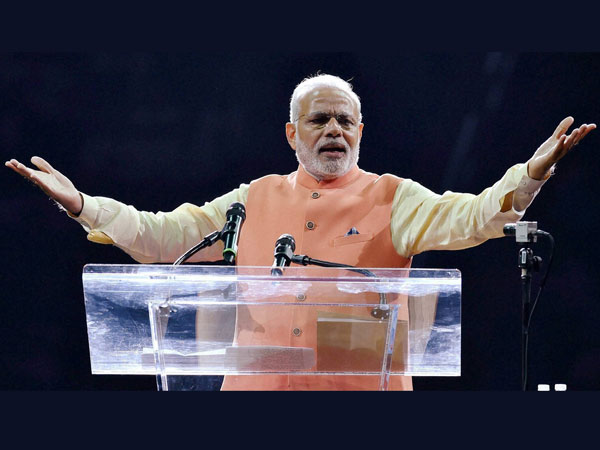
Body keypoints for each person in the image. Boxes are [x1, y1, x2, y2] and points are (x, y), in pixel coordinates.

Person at [6, 74, 596, 390]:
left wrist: (529, 175)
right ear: (292, 134)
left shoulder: (395, 198)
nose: (334, 129)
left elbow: (474, 216)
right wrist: (82, 205)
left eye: (345, 120)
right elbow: (159, 236)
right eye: (319, 119)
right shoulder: (251, 199)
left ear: (360, 132)